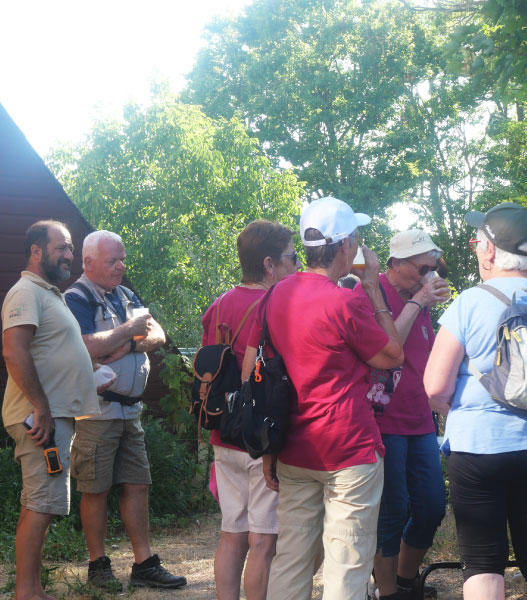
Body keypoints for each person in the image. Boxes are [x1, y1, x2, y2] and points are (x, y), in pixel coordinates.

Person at [424, 202, 527, 600]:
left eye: (478, 241)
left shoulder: (467, 304)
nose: (476, 248)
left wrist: (459, 411)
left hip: (478, 448)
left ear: (492, 251)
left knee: (482, 563)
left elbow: (434, 387)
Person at [244, 196, 404, 600]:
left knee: (293, 559)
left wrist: (269, 453)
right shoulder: (345, 299)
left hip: (295, 450)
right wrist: (374, 291)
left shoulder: (275, 295)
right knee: (345, 565)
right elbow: (393, 355)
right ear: (347, 245)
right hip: (349, 449)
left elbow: (267, 375)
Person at [64, 230, 186, 591]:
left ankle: (144, 563)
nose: (120, 267)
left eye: (122, 259)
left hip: (130, 414)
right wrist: (130, 332)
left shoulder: (125, 294)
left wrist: (129, 345)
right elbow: (86, 346)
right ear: (88, 263)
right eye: (112, 261)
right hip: (96, 414)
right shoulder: (76, 298)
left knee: (137, 485)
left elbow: (158, 335)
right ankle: (98, 565)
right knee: (96, 489)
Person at [2, 220, 104, 600]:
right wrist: (41, 406)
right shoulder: (26, 292)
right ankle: (27, 593)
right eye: (61, 247)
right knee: (40, 505)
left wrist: (86, 376)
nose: (68, 255)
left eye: (70, 248)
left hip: (53, 416)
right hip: (39, 421)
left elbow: (50, 354)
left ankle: (33, 590)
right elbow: (14, 351)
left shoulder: (48, 293)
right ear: (36, 251)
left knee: (44, 504)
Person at [201, 220, 298, 600]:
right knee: (264, 540)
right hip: (261, 435)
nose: (297, 266)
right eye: (292, 258)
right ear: (270, 264)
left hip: (223, 431)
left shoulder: (219, 305)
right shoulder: (275, 305)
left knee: (232, 532)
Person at [356, 230, 449, 600]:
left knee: (431, 506)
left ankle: (406, 581)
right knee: (392, 511)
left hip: (421, 420)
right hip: (384, 421)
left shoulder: (420, 299)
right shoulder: (371, 290)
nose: (430, 274)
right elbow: (389, 347)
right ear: (396, 263)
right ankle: (390, 592)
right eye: (424, 267)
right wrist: (419, 301)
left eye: (433, 267)